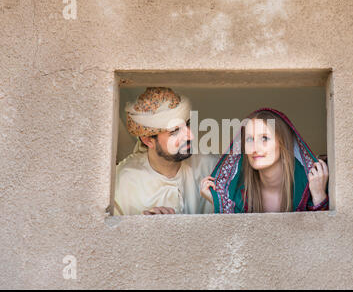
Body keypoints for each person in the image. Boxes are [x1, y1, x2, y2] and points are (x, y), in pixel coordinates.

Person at [200, 108, 329, 213]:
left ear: (283, 143)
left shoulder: (308, 184)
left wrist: (319, 196)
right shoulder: (240, 194)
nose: (255, 149)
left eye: (265, 138)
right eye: (249, 140)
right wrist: (216, 200)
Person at [114, 87, 219, 216]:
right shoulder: (122, 181)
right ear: (148, 141)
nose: (190, 136)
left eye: (187, 124)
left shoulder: (212, 167)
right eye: (175, 132)